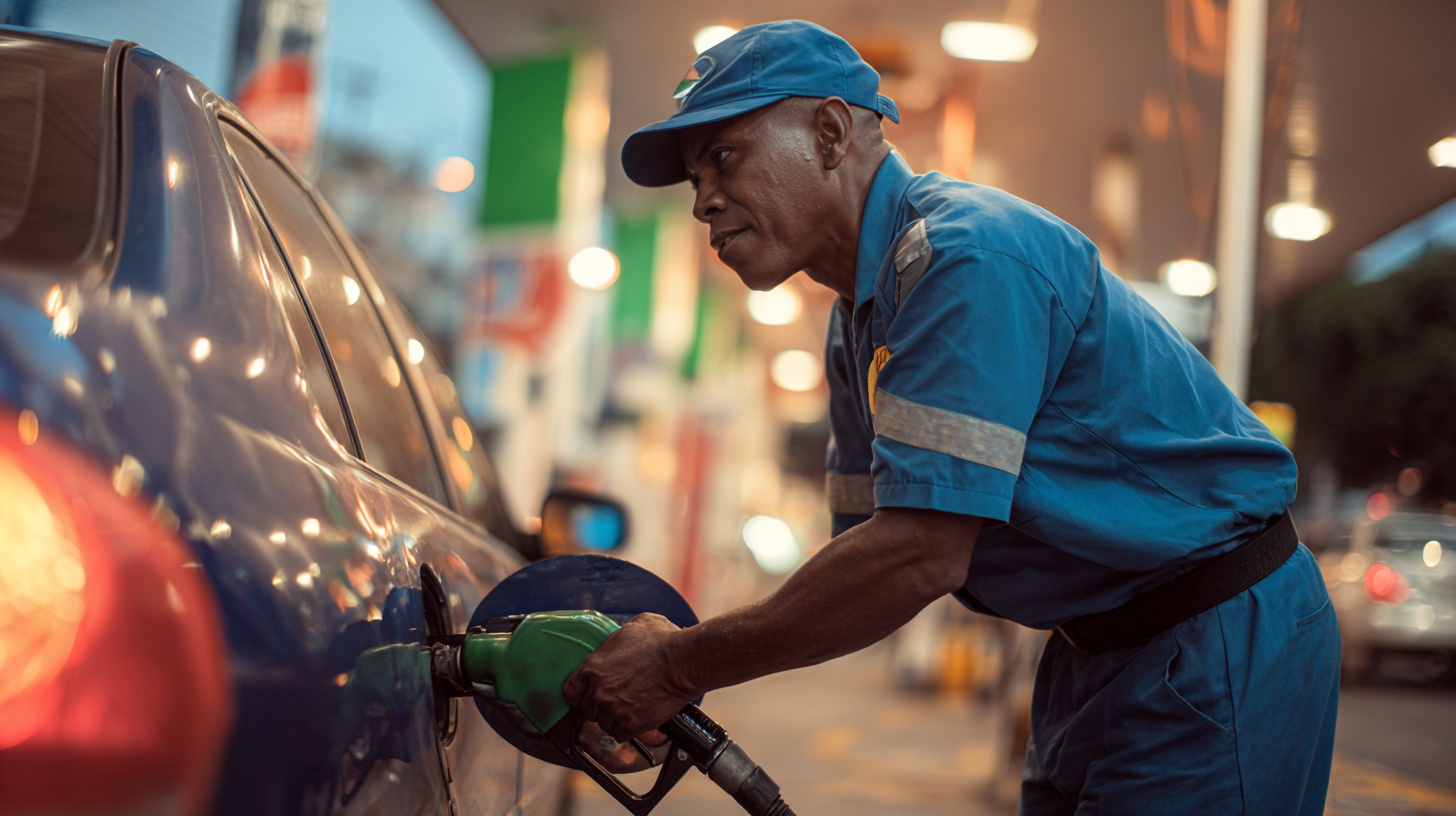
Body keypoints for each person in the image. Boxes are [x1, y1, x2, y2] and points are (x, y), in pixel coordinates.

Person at [565, 20, 1339, 815]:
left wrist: (677, 666)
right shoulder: (858, 322)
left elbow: (919, 556)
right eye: (694, 180)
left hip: (1212, 633)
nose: (704, 203)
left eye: (724, 158)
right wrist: (669, 678)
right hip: (1094, 651)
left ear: (830, 133)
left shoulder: (967, 257)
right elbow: (864, 562)